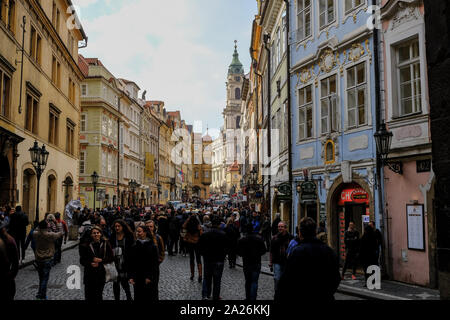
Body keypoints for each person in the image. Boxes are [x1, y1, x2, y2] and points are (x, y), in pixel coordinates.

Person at [275, 217, 341, 301]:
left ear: (300, 233)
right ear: (315, 232)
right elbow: (336, 277)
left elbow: (286, 280)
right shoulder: (329, 251)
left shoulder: (297, 252)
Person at [79, 226, 114, 302]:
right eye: (94, 233)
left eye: (98, 233)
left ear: (100, 234)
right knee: (89, 295)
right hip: (89, 274)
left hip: (100, 273)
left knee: (98, 294)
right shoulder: (86, 245)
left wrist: (101, 260)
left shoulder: (105, 243)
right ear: (91, 235)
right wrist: (90, 262)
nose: (96, 234)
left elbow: (111, 257)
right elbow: (82, 260)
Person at [198, 215, 228, 300]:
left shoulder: (205, 234)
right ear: (219, 225)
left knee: (207, 279)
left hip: (208, 259)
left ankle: (206, 295)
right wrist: (223, 255)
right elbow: (226, 247)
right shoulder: (223, 234)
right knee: (217, 281)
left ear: (211, 224)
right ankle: (215, 296)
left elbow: (200, 247)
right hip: (219, 260)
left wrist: (204, 254)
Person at [33, 220, 63, 300]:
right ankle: (41, 296)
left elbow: (35, 229)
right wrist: (58, 225)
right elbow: (60, 233)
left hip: (39, 258)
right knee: (45, 278)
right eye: (48, 224)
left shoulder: (35, 234)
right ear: (46, 226)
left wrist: (40, 226)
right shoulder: (50, 235)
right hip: (47, 259)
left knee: (41, 278)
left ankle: (40, 294)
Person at [237, 223, 266, 301]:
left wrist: (244, 254)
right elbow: (264, 251)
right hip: (256, 262)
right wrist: (257, 254)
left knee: (248, 281)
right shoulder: (259, 239)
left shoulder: (242, 240)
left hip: (247, 263)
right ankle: (253, 298)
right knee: (254, 282)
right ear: (253, 229)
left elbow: (238, 252)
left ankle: (248, 297)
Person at [129, 225, 159, 301]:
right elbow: (132, 263)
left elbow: (154, 264)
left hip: (149, 277)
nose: (137, 233)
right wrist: (131, 276)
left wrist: (149, 277)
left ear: (145, 232)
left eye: (139, 231)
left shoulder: (152, 246)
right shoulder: (135, 245)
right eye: (136, 232)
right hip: (138, 276)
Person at [109, 220, 135, 301]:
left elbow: (132, 250)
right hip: (115, 263)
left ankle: (129, 297)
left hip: (125, 263)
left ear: (123, 227)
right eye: (115, 226)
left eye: (118, 226)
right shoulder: (112, 236)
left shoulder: (129, 236)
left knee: (124, 283)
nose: (117, 228)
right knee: (115, 283)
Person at [269, 221, 292, 293]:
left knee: (286, 279)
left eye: (281, 227)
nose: (280, 228)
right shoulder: (274, 238)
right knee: (277, 278)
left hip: (287, 262)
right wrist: (270, 262)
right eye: (279, 227)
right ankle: (277, 293)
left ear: (285, 228)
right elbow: (271, 251)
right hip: (277, 261)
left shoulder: (290, 237)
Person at [0, 219, 19, 300]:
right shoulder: (10, 240)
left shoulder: (9, 241)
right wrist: (10, 276)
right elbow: (15, 264)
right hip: (7, 280)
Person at [183, 213, 203, 282]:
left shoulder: (188, 225)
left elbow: (183, 226)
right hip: (197, 243)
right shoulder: (197, 226)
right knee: (198, 259)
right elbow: (201, 234)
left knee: (191, 259)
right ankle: (200, 275)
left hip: (190, 243)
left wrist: (188, 219)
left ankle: (192, 274)